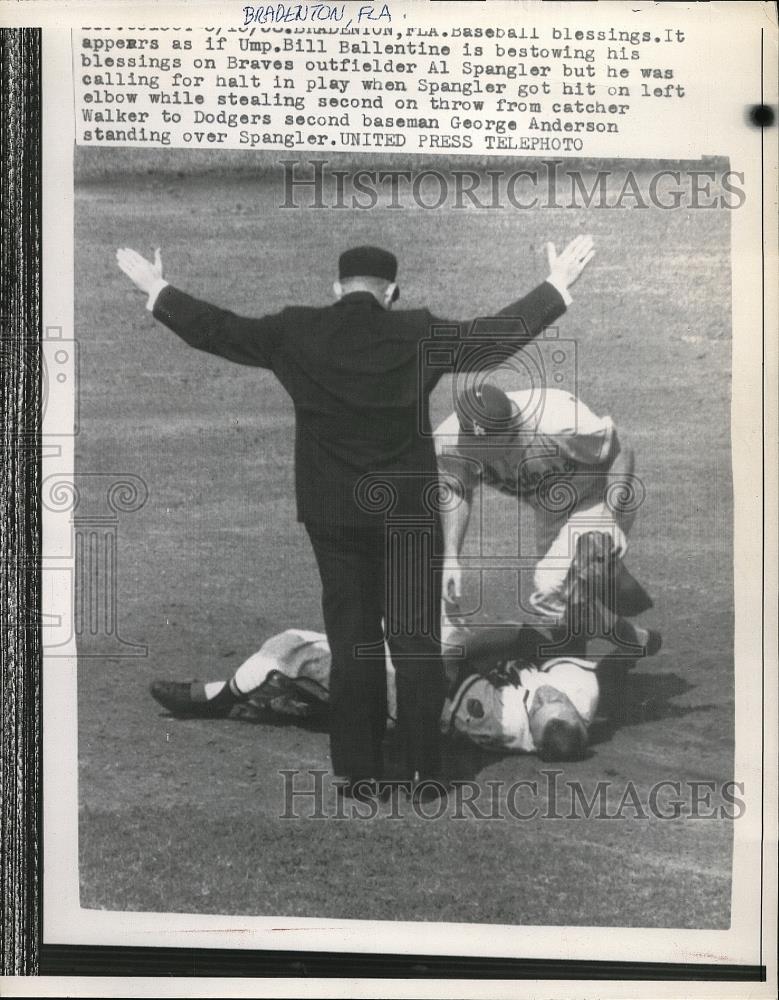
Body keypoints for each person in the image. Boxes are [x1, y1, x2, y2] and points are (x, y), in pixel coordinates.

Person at [116, 237, 595, 794]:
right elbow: (489, 341)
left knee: (353, 640)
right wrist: (556, 287)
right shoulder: (416, 330)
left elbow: (219, 329)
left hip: (334, 516)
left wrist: (158, 291)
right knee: (415, 643)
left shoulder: (296, 330)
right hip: (409, 516)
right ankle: (423, 771)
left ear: (337, 288)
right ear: (391, 293)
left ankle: (361, 771)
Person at [148, 608, 661, 762]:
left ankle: (210, 699)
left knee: (287, 647)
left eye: (544, 706)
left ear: (530, 727)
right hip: (425, 677)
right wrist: (630, 645)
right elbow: (592, 671)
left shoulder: (500, 721)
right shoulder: (578, 700)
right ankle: (302, 703)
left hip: (410, 696)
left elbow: (454, 661)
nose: (550, 697)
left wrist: (522, 639)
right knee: (574, 624)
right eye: (557, 701)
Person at [434, 381, 652, 624]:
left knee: (550, 586)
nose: (477, 453)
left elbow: (620, 449)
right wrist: (451, 557)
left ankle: (602, 573)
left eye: (486, 446)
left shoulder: (558, 423)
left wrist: (609, 519)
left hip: (599, 495)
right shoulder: (450, 441)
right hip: (549, 510)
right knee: (565, 597)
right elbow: (457, 488)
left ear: (510, 429)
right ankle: (627, 630)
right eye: (472, 444)